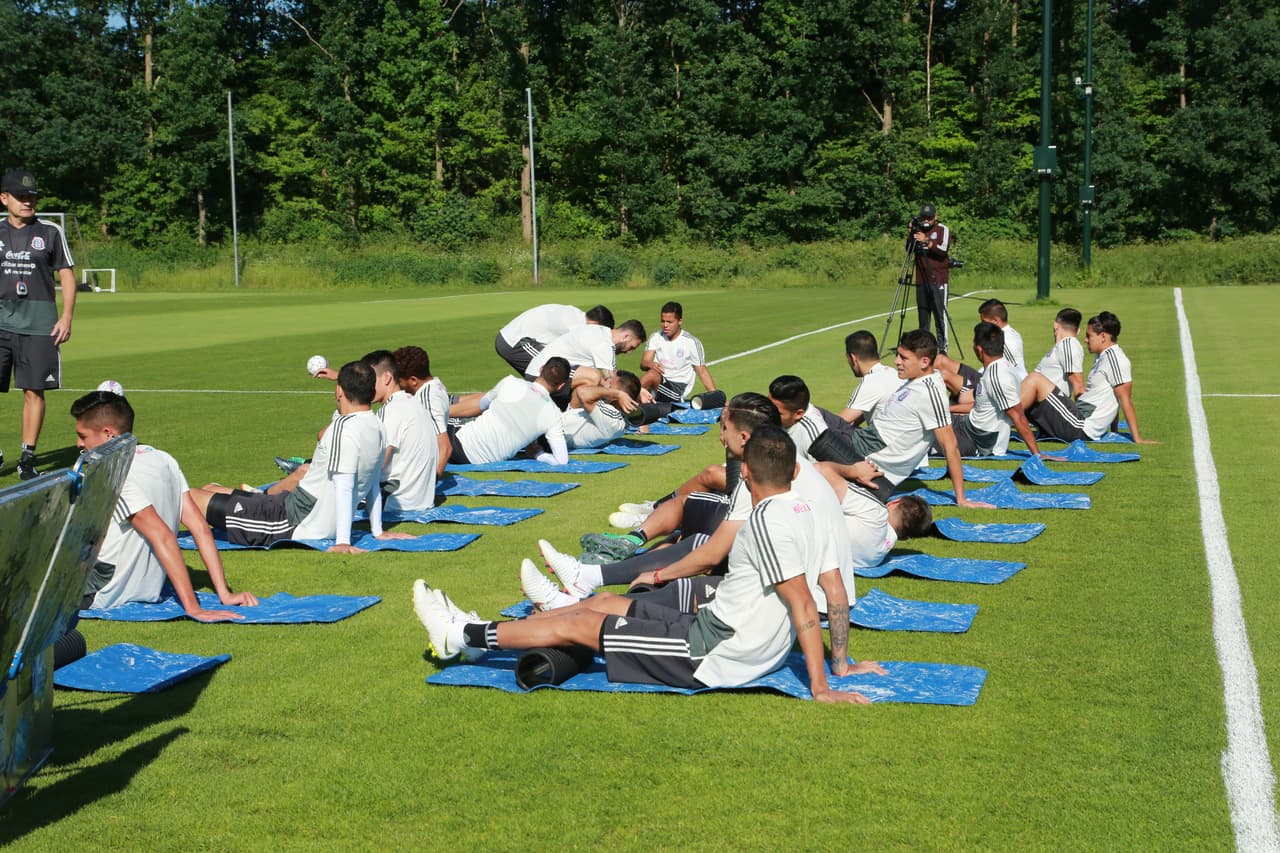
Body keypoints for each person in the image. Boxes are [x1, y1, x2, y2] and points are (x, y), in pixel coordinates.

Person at [415, 427, 877, 702]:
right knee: (603, 604)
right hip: (718, 628)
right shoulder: (812, 509)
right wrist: (839, 663)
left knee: (582, 625)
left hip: (714, 654)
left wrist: (821, 688)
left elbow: (803, 604)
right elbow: (834, 591)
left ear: (749, 473)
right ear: (795, 471)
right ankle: (481, 633)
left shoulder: (767, 520)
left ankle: (461, 635)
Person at [70, 391, 257, 621]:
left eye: (83, 436)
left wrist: (193, 608)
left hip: (105, 593)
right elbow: (199, 527)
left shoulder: (115, 477)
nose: (79, 443)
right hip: (145, 588)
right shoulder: (161, 458)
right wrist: (224, 593)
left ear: (109, 434)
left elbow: (163, 536)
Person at [190, 361, 396, 553]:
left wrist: (343, 542)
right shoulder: (377, 425)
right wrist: (377, 531)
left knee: (188, 497)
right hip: (292, 506)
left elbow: (344, 485)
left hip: (291, 520)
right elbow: (372, 482)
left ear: (339, 391)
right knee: (210, 488)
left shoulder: (343, 428)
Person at [809, 330, 991, 508]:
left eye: (903, 358)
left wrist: (961, 499)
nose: (896, 361)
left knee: (804, 422)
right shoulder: (913, 381)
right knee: (807, 409)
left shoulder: (929, 393)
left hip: (864, 455)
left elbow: (950, 446)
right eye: (898, 355)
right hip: (859, 438)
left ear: (924, 362)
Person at [0, 169, 77, 479]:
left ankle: (27, 458)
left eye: (32, 197)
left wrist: (67, 317)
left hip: (39, 325)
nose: (28, 202)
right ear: (4, 198)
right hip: (1, 322)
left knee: (34, 392)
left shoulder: (50, 231)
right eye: (21, 197)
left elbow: (67, 275)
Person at [1022, 311, 1158, 444]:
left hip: (1080, 426)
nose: (1085, 340)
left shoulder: (1116, 359)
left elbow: (1124, 399)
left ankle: (1009, 417)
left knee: (1035, 379)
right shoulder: (1103, 357)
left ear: (1103, 337)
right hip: (1077, 419)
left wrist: (1137, 438)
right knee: (1032, 387)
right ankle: (1011, 417)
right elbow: (1113, 397)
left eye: (1089, 336)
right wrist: (1114, 431)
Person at [939, 322, 1050, 458]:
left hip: (976, 441)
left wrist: (1037, 454)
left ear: (979, 350)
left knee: (924, 432)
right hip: (967, 426)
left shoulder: (997, 376)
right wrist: (947, 409)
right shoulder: (998, 368)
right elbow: (984, 407)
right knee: (927, 416)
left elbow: (1018, 416)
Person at [446, 358, 571, 465]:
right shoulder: (554, 415)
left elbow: (480, 405)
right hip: (483, 461)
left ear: (541, 369)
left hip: (459, 444)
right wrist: (538, 454)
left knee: (439, 421)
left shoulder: (511, 382)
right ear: (561, 385)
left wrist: (443, 413)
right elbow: (562, 460)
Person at [495, 303, 614, 376]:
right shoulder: (577, 327)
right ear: (595, 323)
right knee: (553, 372)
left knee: (548, 376)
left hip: (516, 337)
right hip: (514, 342)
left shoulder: (577, 314)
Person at [639, 301, 716, 403]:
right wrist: (650, 364)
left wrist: (716, 397)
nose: (665, 325)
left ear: (680, 321)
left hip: (676, 390)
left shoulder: (691, 342)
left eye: (669, 322)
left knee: (651, 375)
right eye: (663, 321)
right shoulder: (656, 337)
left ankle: (627, 405)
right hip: (658, 383)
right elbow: (644, 363)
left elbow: (702, 372)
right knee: (630, 380)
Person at [393, 345, 451, 477]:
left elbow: (445, 447)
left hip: (416, 466)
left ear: (413, 380)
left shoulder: (427, 399)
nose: (398, 385)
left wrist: (431, 482)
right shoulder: (436, 384)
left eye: (399, 381)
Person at [560, 368, 642, 450]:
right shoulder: (616, 415)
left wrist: (617, 394)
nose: (605, 385)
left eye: (610, 384)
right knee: (589, 378)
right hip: (559, 425)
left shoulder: (612, 417)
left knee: (590, 375)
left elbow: (581, 392)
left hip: (556, 432)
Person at [1020, 308, 1085, 409]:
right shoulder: (1062, 346)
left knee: (1033, 378)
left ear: (1055, 325)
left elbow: (1078, 385)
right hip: (1042, 406)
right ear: (1078, 331)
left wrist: (1082, 417)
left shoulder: (1068, 344)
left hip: (1051, 408)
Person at [838, 330, 901, 428]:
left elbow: (839, 422)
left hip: (888, 437)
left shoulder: (870, 381)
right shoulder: (893, 372)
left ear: (853, 358)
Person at [912, 203, 952, 352]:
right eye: (923, 218)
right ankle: (925, 347)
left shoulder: (942, 229)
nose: (926, 221)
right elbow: (909, 249)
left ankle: (942, 349)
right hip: (921, 279)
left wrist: (927, 241)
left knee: (940, 315)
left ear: (935, 216)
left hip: (938, 279)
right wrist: (911, 233)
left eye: (929, 218)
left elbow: (943, 250)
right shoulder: (918, 229)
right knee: (923, 316)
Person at [977, 299, 1026, 379]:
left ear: (996, 320)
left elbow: (1014, 370)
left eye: (984, 322)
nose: (983, 325)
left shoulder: (1005, 341)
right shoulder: (1012, 333)